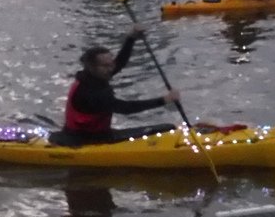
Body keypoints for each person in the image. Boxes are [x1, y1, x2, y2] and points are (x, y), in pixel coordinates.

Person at [53, 28, 182, 146]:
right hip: (87, 140)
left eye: (111, 64)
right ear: (92, 66)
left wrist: (131, 38)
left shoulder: (93, 75)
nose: (111, 69)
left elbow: (120, 63)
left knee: (167, 128)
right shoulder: (91, 92)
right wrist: (163, 100)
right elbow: (125, 108)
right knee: (167, 129)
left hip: (95, 134)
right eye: (106, 66)